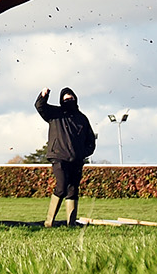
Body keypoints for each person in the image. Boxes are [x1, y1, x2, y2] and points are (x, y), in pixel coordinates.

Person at [36, 86, 96, 227]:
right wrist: (44, 95)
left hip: (76, 160)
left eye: (71, 98)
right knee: (61, 187)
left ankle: (71, 224)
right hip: (59, 157)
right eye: (66, 98)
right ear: (61, 100)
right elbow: (40, 106)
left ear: (75, 99)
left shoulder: (82, 118)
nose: (69, 100)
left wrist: (82, 153)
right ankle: (49, 222)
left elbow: (91, 141)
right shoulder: (55, 113)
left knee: (73, 190)